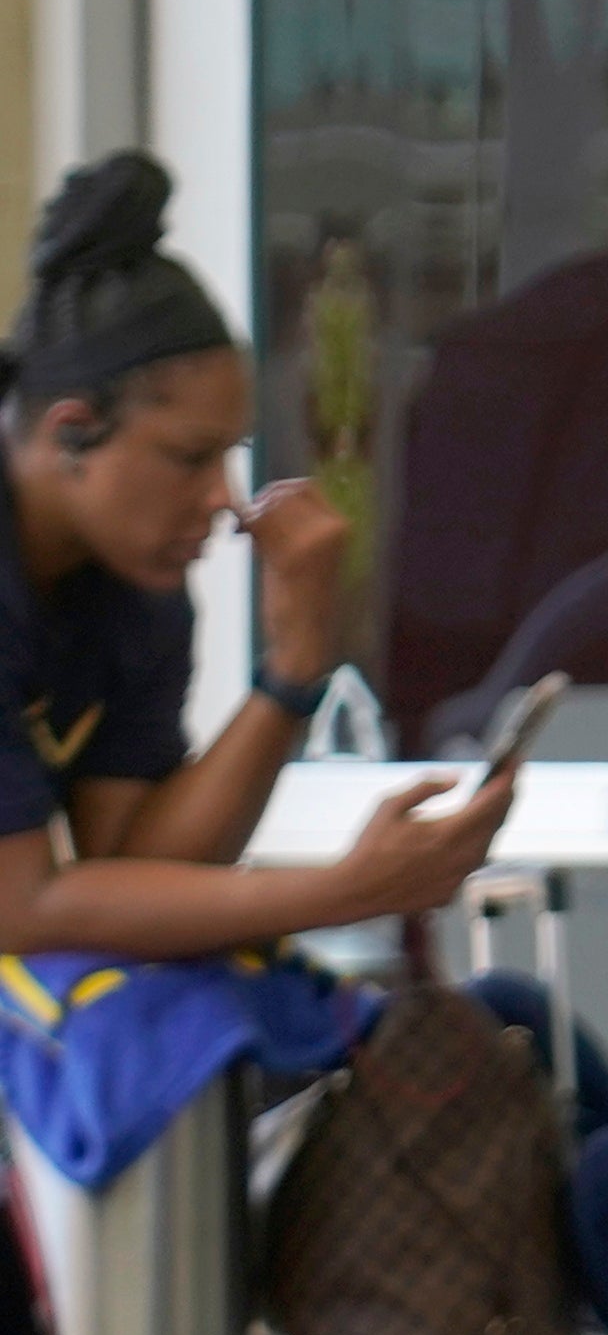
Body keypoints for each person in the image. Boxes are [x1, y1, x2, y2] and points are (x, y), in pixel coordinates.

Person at [0, 150, 509, 982]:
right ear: (70, 432)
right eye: (189, 458)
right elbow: (21, 910)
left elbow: (138, 866)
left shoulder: (135, 588)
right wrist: (343, 890)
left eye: (229, 458)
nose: (223, 501)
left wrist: (293, 668)